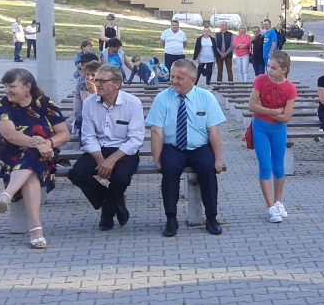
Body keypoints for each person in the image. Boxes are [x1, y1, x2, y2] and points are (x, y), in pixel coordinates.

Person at [0, 68, 71, 249]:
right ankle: (36, 228)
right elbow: (9, 134)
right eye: (5, 86)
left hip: (45, 154)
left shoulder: (45, 103)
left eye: (12, 86)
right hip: (12, 154)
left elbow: (64, 134)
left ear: (27, 87)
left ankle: (6, 196)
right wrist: (38, 144)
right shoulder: (1, 104)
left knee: (34, 157)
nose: (7, 90)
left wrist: (47, 143)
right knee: (33, 162)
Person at [145, 60, 226, 237]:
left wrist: (218, 159)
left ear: (193, 80)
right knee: (169, 169)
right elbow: (156, 131)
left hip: (199, 146)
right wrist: (157, 159)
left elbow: (213, 131)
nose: (174, 81)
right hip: (173, 147)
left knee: (208, 168)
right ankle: (171, 218)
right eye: (172, 76)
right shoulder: (162, 98)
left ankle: (211, 217)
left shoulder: (206, 98)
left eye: (179, 78)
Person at [68, 65, 145, 230]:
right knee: (76, 174)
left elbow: (135, 139)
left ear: (117, 84)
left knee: (121, 178)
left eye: (102, 81)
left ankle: (107, 213)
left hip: (124, 150)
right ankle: (114, 202)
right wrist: (101, 160)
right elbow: (88, 136)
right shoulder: (89, 103)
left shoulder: (133, 103)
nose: (97, 84)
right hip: (99, 148)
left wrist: (112, 160)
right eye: (97, 80)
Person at [249, 50, 298, 223]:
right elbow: (252, 107)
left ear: (284, 70)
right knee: (265, 166)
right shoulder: (260, 80)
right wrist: (275, 111)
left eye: (274, 68)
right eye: (269, 66)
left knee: (278, 167)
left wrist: (264, 109)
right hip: (260, 128)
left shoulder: (290, 88)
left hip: (278, 130)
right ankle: (270, 207)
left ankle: (278, 202)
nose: (269, 70)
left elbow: (286, 117)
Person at [71, 60, 100, 135]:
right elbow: (77, 108)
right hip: (83, 118)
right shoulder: (80, 86)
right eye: (87, 74)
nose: (89, 78)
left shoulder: (104, 87)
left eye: (93, 75)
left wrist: (95, 93)